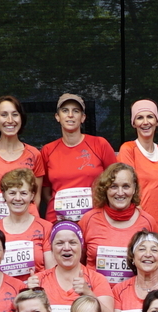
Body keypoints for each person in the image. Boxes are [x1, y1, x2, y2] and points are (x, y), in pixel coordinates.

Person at [31, 221, 116, 312]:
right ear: (51, 248)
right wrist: (29, 294)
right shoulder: (38, 281)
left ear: (81, 246)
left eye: (72, 242)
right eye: (60, 243)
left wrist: (88, 294)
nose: (66, 248)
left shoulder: (97, 279)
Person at [38, 93, 116, 223]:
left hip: (95, 220)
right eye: (65, 111)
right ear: (57, 117)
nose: (70, 115)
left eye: (76, 111)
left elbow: (114, 180)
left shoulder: (99, 144)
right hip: (58, 222)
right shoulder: (47, 150)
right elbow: (45, 190)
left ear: (83, 117)